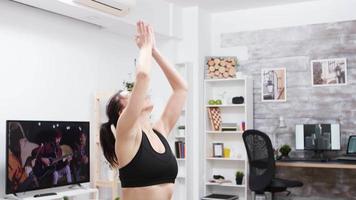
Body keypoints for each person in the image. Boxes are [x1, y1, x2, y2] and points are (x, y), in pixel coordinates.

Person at [100, 21, 188, 200]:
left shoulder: (160, 130)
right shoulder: (126, 133)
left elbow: (181, 88)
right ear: (121, 112)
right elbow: (143, 76)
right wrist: (145, 47)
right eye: (129, 94)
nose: (137, 93)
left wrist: (154, 50)